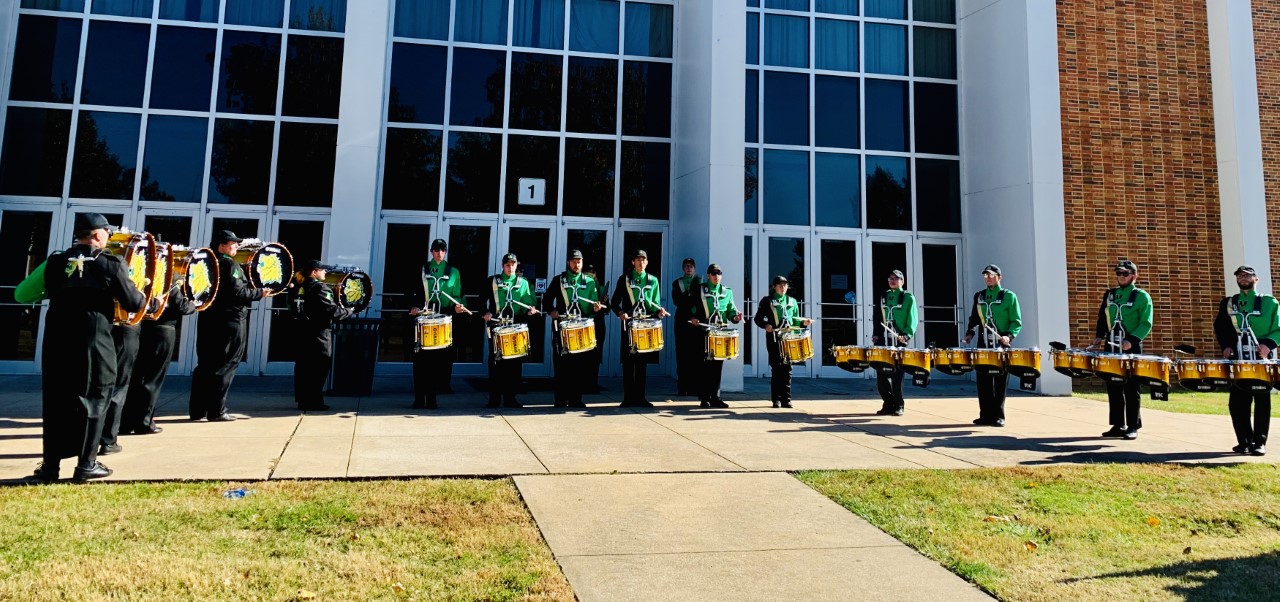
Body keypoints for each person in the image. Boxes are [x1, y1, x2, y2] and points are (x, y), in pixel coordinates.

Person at [30, 213, 145, 482]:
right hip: (94, 341)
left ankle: (50, 467)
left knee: (57, 400)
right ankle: (86, 464)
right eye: (108, 233)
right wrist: (144, 294)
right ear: (97, 235)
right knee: (95, 398)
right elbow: (132, 303)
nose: (109, 238)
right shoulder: (110, 263)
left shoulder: (56, 261)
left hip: (57, 340)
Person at [189, 230, 264, 422]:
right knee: (226, 364)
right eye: (233, 243)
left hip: (208, 319)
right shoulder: (230, 264)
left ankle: (198, 410)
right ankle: (217, 410)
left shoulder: (207, 262)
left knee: (205, 364)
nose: (237, 246)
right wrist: (259, 293)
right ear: (221, 245)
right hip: (230, 320)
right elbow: (238, 293)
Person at [1214, 265, 1276, 456]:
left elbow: (1279, 328)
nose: (1243, 278)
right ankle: (1244, 441)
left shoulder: (1268, 302)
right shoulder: (1229, 303)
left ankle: (1260, 442)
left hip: (1261, 356)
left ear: (1255, 279)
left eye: (1247, 275)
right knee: (1237, 401)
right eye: (1240, 275)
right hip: (1239, 356)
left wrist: (1268, 344)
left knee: (1261, 399)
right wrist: (1226, 345)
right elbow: (1221, 327)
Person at [120, 285, 195, 436]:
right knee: (152, 379)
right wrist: (193, 304)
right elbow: (181, 305)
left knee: (137, 377)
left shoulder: (148, 276)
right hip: (163, 329)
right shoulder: (167, 278)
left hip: (144, 328)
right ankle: (144, 422)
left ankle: (126, 421)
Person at [1092, 260, 1152, 440]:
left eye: (1125, 273)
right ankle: (1118, 424)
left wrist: (1132, 340)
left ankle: (1133, 426)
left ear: (1134, 275)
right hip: (1111, 344)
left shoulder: (1141, 296)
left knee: (1131, 387)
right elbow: (1103, 316)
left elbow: (1146, 322)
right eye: (1118, 273)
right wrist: (1099, 336)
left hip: (1130, 345)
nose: (1121, 276)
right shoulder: (1110, 294)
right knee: (1113, 384)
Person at [545, 249, 606, 408]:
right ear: (568, 262)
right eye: (573, 261)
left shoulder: (590, 281)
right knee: (561, 365)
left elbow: (593, 304)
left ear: (582, 262)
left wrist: (596, 308)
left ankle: (575, 399)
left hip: (581, 328)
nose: (576, 264)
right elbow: (546, 300)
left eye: (579, 261)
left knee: (579, 366)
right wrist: (551, 311)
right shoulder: (558, 280)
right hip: (562, 328)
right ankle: (560, 400)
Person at [409, 239, 465, 409]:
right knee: (419, 362)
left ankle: (432, 399)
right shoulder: (422, 269)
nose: (439, 253)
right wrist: (412, 306)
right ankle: (419, 399)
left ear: (446, 252)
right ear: (431, 251)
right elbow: (410, 291)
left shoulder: (453, 272)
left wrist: (459, 307)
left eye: (442, 250)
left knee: (436, 362)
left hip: (443, 319)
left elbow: (459, 296)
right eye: (436, 250)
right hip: (423, 318)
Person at [291, 260, 354, 411]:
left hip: (301, 331)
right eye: (322, 270)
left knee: (303, 368)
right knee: (318, 367)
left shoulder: (297, 286)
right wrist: (349, 311)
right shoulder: (319, 288)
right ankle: (313, 401)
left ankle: (303, 400)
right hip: (318, 333)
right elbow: (331, 310)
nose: (325, 272)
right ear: (314, 272)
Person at [963, 265, 1022, 427]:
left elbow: (1016, 321)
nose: (988, 278)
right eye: (986, 276)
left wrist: (1008, 336)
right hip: (984, 342)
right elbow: (974, 318)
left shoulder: (1009, 296)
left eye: (991, 275)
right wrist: (970, 333)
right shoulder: (980, 296)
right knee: (983, 379)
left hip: (1001, 343)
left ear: (999, 277)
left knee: (1000, 379)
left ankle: (998, 415)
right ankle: (985, 415)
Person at [611, 250, 668, 407]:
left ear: (647, 263)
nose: (641, 262)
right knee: (628, 362)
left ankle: (641, 397)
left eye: (644, 260)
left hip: (645, 325)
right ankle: (628, 398)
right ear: (633, 262)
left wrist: (659, 311)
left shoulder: (653, 280)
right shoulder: (625, 279)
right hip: (630, 324)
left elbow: (654, 303)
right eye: (638, 260)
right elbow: (614, 302)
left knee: (642, 363)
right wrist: (621, 312)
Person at [483, 253, 539, 408]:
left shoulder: (524, 283)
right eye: (507, 265)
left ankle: (510, 398)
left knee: (514, 364)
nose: (510, 267)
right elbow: (481, 299)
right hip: (497, 326)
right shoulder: (492, 281)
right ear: (503, 266)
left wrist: (531, 311)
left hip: (515, 327)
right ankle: (494, 399)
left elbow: (529, 303)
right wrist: (485, 313)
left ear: (517, 265)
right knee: (495, 363)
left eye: (513, 264)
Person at [753, 276, 811, 408]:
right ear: (774, 287)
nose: (783, 287)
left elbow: (796, 320)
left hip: (789, 339)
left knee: (788, 369)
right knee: (777, 368)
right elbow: (757, 319)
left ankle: (787, 398)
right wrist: (766, 325)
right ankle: (776, 399)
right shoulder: (767, 301)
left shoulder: (792, 301)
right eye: (780, 285)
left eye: (785, 285)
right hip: (774, 338)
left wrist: (804, 323)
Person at [689, 263, 742, 408]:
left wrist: (735, 318)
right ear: (708, 275)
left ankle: (715, 397)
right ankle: (704, 397)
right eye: (713, 274)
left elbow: (730, 311)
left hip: (720, 333)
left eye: (719, 274)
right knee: (704, 365)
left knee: (717, 365)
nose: (716, 276)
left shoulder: (727, 292)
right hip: (704, 331)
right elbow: (691, 306)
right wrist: (693, 317)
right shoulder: (700, 289)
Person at [872, 270, 917, 416]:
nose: (892, 281)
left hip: (899, 340)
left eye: (896, 278)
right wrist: (877, 334)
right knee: (881, 375)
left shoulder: (908, 297)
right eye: (890, 278)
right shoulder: (884, 296)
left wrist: (907, 335)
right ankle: (888, 403)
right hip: (884, 340)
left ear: (902, 281)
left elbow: (913, 317)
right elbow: (878, 316)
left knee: (897, 376)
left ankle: (899, 405)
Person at [99, 320, 139, 456]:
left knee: (99, 387)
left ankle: (91, 440)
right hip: (125, 329)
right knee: (118, 387)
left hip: (102, 332)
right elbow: (134, 302)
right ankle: (108, 440)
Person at [671, 258, 702, 396]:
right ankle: (682, 387)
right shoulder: (677, 283)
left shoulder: (701, 282)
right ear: (683, 268)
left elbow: (701, 301)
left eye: (691, 266)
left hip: (697, 321)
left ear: (694, 268)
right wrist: (690, 295)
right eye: (686, 266)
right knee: (682, 354)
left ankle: (695, 386)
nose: (689, 269)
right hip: (683, 320)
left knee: (696, 354)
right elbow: (678, 301)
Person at [583, 264, 606, 392]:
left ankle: (593, 382)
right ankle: (583, 382)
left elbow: (606, 308)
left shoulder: (601, 288)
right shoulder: (583, 286)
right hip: (586, 322)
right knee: (585, 354)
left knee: (596, 355)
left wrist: (604, 302)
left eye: (592, 272)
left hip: (598, 323)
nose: (591, 274)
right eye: (588, 272)